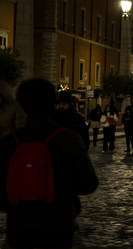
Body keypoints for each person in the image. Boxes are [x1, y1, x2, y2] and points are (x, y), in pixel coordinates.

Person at [0, 78, 98, 249]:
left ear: (21, 103)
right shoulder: (68, 138)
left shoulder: (9, 142)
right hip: (59, 221)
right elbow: (89, 184)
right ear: (52, 102)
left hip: (19, 223)